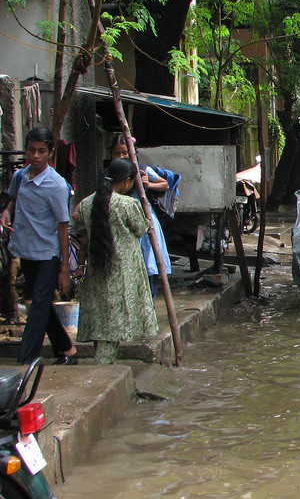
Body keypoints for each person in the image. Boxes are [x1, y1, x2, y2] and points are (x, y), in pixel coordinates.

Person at [0, 126, 75, 365]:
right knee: (41, 304)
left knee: (39, 305)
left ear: (50, 153)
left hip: (48, 254)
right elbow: (13, 198)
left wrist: (65, 267)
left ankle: (27, 359)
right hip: (26, 250)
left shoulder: (57, 185)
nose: (35, 155)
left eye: (41, 151)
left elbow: (63, 226)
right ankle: (67, 350)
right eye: (31, 150)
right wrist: (6, 212)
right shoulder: (20, 177)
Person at [72, 158, 158, 364]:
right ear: (128, 181)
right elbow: (140, 229)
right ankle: (102, 369)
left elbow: (81, 224)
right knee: (113, 323)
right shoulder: (127, 204)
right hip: (122, 270)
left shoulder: (86, 203)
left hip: (97, 269)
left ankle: (102, 363)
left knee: (102, 321)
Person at [110, 134, 171, 299]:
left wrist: (148, 184)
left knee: (147, 267)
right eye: (117, 153)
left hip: (144, 226)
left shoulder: (143, 170)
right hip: (122, 228)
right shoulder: (111, 174)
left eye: (124, 153)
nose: (121, 157)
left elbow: (165, 184)